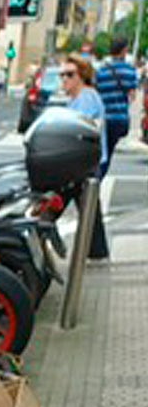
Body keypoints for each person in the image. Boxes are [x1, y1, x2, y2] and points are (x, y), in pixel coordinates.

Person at [60, 53, 110, 259]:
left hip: (83, 164)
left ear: (81, 76)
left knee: (52, 205)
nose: (64, 79)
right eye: (62, 74)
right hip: (82, 162)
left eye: (69, 74)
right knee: (90, 211)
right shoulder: (78, 99)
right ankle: (97, 253)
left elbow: (79, 130)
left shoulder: (87, 98)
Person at [95, 37, 136, 172]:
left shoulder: (101, 71)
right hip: (119, 119)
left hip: (102, 119)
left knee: (100, 154)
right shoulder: (130, 71)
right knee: (108, 153)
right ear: (124, 50)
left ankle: (95, 181)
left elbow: (96, 92)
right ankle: (99, 179)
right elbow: (132, 96)